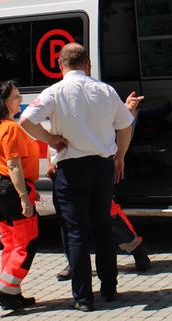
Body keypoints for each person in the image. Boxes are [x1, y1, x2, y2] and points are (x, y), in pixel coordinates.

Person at [19, 43, 135, 312]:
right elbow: (125, 125)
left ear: (60, 65)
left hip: (71, 171)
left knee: (76, 233)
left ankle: (83, 297)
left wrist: (51, 139)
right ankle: (110, 288)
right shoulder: (105, 90)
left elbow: (26, 120)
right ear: (87, 64)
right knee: (103, 228)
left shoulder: (55, 91)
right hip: (102, 167)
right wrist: (120, 157)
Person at [50, 91, 150, 281]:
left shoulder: (95, 98)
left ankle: (136, 248)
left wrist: (128, 109)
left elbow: (117, 123)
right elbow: (53, 137)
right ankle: (73, 262)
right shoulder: (60, 101)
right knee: (70, 221)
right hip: (67, 169)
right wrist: (52, 162)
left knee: (110, 215)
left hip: (97, 166)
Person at [0, 80, 61, 311]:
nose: (20, 100)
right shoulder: (11, 128)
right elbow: (13, 166)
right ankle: (3, 290)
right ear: (4, 102)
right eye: (16, 97)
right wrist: (24, 197)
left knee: (10, 243)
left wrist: (28, 191)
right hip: (10, 190)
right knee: (27, 243)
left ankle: (12, 293)